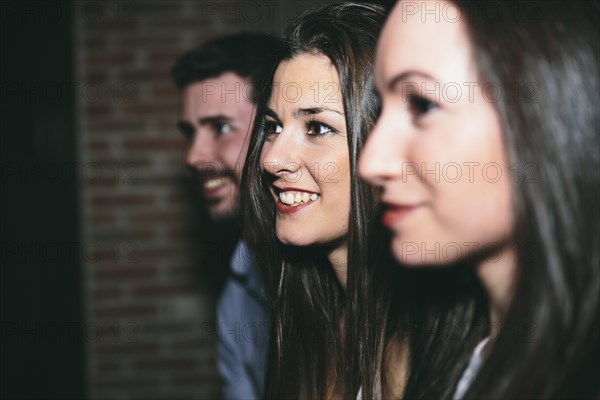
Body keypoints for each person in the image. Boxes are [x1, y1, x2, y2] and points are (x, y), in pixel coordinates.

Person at [359, 0, 599, 398]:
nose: (371, 162)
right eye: (381, 108)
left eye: (422, 104)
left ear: (545, 115)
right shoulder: (460, 356)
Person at [241, 4, 402, 399]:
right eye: (273, 126)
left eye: (317, 127)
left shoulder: (419, 339)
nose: (270, 159)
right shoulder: (315, 317)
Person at [171, 32, 283, 399]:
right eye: (189, 133)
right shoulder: (238, 291)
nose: (192, 156)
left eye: (220, 127)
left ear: (275, 128)